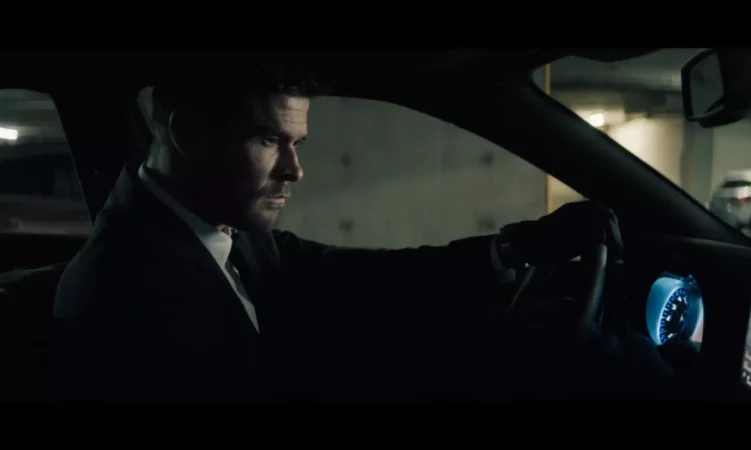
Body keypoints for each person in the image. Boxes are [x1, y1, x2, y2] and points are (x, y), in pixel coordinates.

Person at [50, 66, 634, 401]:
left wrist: (511, 248)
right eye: (269, 141)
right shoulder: (126, 292)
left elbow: (340, 273)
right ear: (186, 134)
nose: (295, 171)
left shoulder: (217, 228)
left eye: (296, 145)